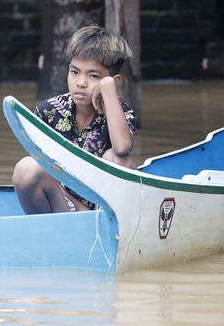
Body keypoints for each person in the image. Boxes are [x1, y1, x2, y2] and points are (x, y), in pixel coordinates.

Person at [12, 24, 138, 214]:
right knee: (26, 168)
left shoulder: (124, 113)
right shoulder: (49, 111)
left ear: (114, 81)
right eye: (74, 72)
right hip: (63, 207)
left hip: (104, 212)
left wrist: (107, 88)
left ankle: (109, 228)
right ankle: (49, 230)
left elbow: (122, 148)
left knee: (121, 161)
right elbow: (41, 171)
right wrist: (77, 208)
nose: (81, 83)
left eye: (94, 76)